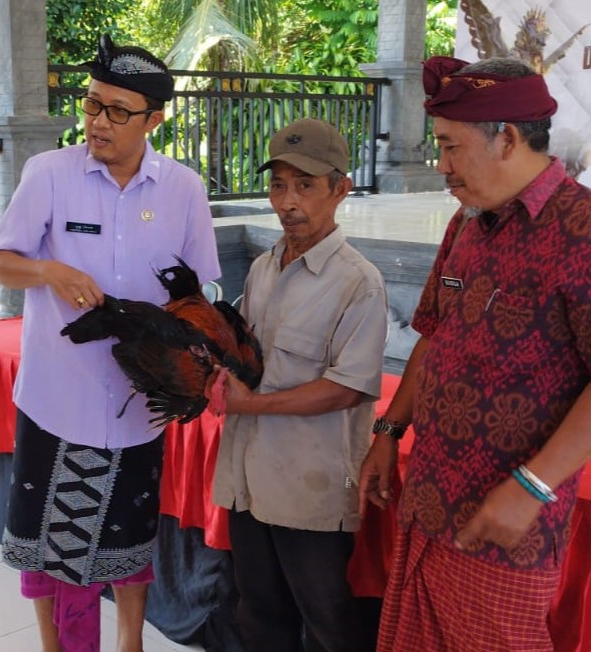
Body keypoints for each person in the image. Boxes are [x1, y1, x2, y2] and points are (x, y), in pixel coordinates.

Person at [358, 56, 591, 651]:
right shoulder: (466, 225)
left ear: (509, 140)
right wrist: (390, 431)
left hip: (502, 525)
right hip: (427, 503)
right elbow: (435, 334)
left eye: (448, 147)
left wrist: (532, 486)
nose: (438, 165)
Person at [0, 35, 220, 652]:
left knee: (128, 538)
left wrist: (188, 342)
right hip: (57, 399)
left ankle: (129, 643)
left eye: (119, 111)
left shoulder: (183, 189)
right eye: (92, 105)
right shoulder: (49, 174)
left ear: (155, 120)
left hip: (138, 407)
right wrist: (49, 272)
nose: (98, 122)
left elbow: (202, 288)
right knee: (49, 549)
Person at [212, 118, 388, 652]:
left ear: (341, 189)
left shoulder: (358, 282)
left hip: (308, 487)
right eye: (278, 184)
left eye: (305, 185)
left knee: (329, 622)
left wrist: (252, 404)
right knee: (260, 616)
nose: (288, 201)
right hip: (249, 478)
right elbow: (244, 358)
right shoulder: (264, 268)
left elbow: (348, 389)